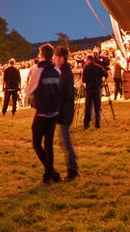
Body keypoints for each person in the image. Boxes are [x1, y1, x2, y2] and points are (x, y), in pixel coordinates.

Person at [27, 45, 64, 183]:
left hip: (42, 113)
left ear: (41, 55)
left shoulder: (36, 70)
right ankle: (50, 175)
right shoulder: (57, 71)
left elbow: (29, 92)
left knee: (37, 144)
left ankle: (51, 173)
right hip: (54, 112)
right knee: (48, 145)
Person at [52, 48, 79, 181]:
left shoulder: (65, 73)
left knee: (65, 142)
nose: (54, 59)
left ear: (61, 58)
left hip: (64, 111)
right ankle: (73, 167)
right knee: (65, 141)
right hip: (64, 111)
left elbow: (62, 94)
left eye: (55, 57)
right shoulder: (64, 71)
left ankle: (73, 170)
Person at [79, 57, 105, 129]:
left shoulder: (86, 68)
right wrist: (102, 81)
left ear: (88, 60)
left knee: (88, 107)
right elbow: (105, 74)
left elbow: (84, 80)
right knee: (97, 107)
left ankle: (86, 124)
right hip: (97, 89)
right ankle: (97, 123)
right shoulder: (98, 67)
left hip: (89, 90)